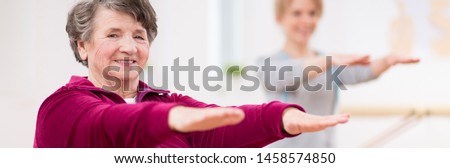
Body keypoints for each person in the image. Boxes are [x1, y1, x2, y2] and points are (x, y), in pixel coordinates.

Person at [33, 0, 350, 148]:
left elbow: (222, 123)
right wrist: (165, 119)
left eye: (139, 36)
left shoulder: (165, 100)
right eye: (113, 35)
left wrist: (280, 118)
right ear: (83, 46)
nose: (128, 47)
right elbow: (106, 125)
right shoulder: (62, 107)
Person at [260, 0, 420, 148]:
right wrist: (327, 61)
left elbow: (361, 73)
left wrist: (386, 61)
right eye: (297, 13)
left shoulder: (329, 62)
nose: (307, 20)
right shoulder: (268, 63)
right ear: (280, 17)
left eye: (312, 13)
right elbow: (283, 76)